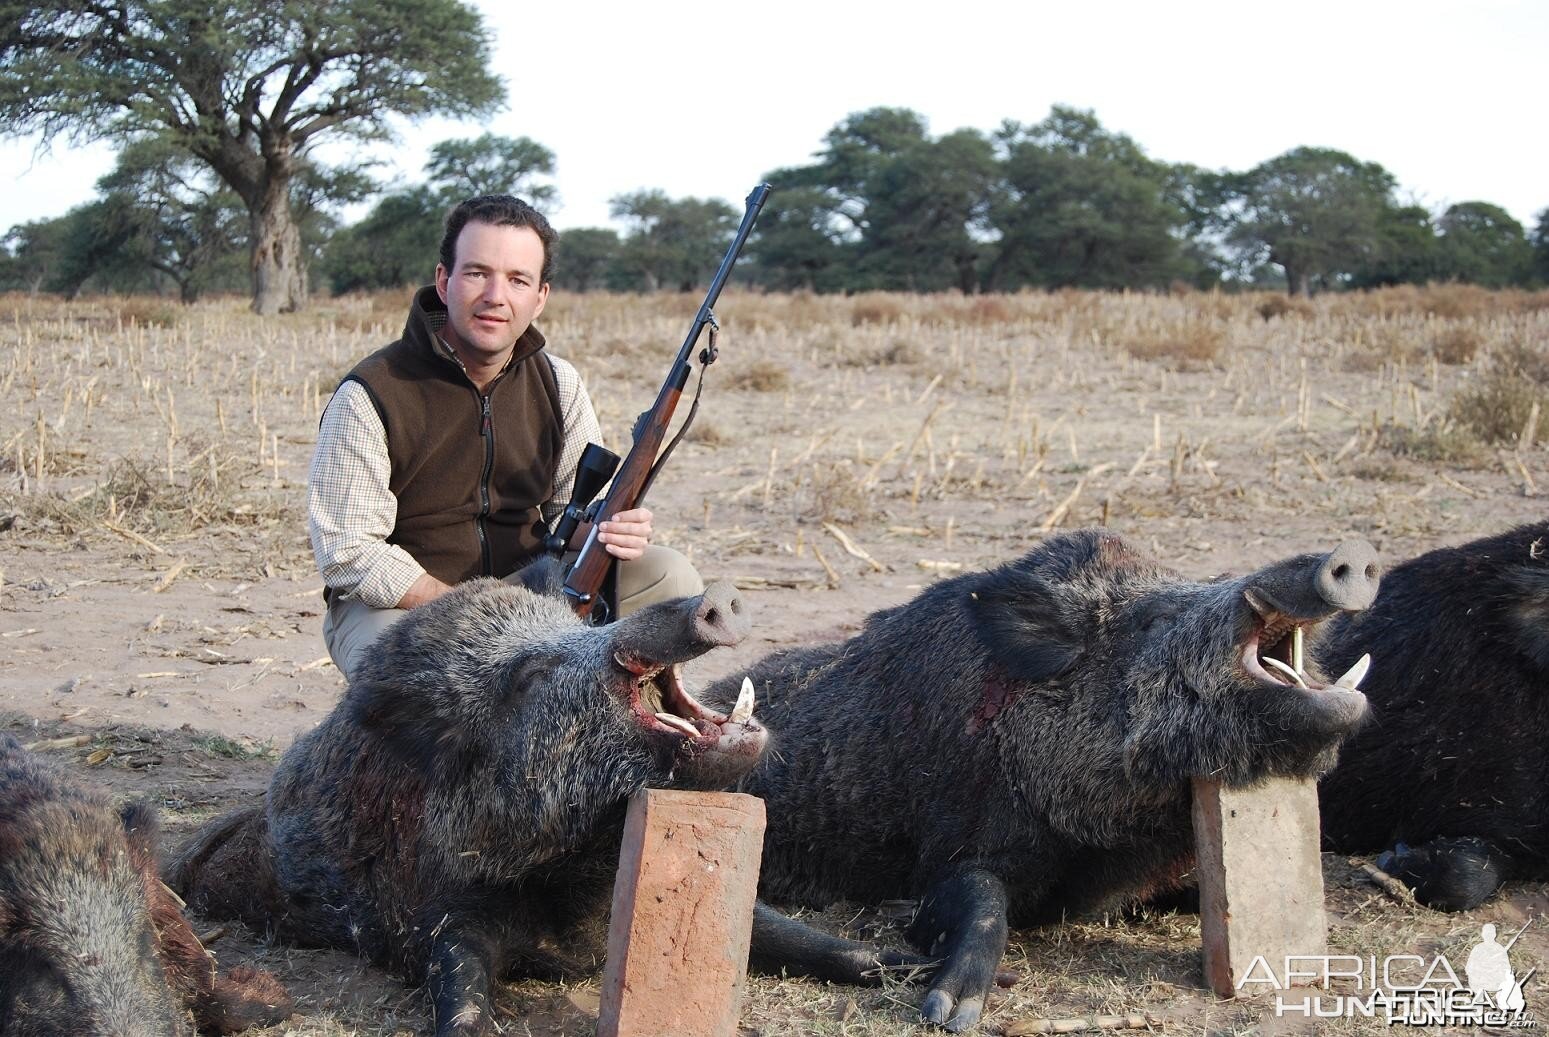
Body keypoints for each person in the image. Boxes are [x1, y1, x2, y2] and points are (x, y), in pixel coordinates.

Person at [308, 195, 702, 677]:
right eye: (477, 273)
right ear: (443, 280)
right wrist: (472, 610)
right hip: (409, 605)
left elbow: (568, 512)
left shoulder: (560, 382)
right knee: (405, 674)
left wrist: (610, 527)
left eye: (518, 280)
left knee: (670, 576)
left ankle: (649, 735)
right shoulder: (370, 392)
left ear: (540, 297)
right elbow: (350, 553)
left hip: (530, 588)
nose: (496, 295)